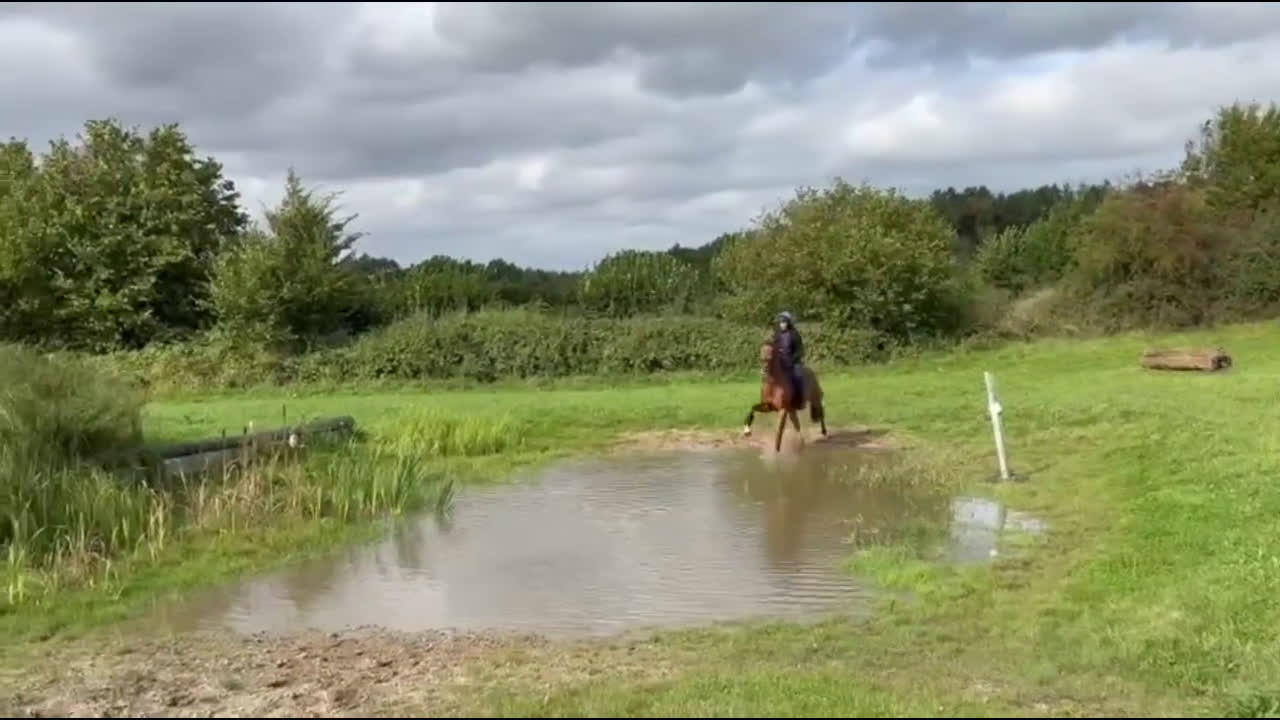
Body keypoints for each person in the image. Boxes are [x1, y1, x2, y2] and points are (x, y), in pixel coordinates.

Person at [772, 311, 805, 406]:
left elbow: (800, 351)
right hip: (780, 362)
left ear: (788, 323)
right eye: (781, 322)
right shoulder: (776, 335)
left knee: (798, 376)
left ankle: (799, 399)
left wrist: (792, 360)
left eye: (784, 322)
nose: (782, 324)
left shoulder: (795, 335)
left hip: (793, 362)